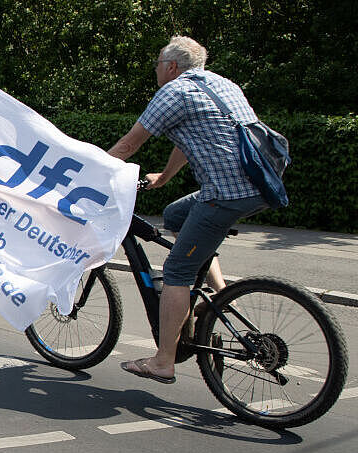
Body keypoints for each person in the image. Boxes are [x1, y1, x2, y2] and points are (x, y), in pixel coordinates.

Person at [107, 36, 269, 384]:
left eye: (158, 63)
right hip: (258, 187)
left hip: (223, 194)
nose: (157, 69)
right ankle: (224, 297)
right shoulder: (221, 84)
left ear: (172, 67)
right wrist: (165, 177)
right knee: (177, 215)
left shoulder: (173, 92)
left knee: (177, 270)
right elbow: (193, 137)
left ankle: (163, 361)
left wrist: (90, 174)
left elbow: (129, 144)